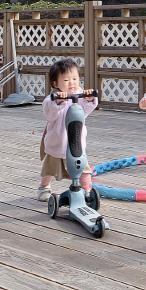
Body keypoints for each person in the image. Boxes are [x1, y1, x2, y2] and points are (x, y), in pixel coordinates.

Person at [37, 58, 98, 202]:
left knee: (83, 168)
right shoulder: (53, 98)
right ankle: (44, 187)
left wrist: (89, 99)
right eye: (66, 80)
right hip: (58, 141)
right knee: (50, 168)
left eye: (75, 78)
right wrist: (57, 103)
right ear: (55, 83)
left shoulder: (80, 95)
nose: (72, 83)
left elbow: (85, 112)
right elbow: (50, 114)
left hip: (76, 142)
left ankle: (88, 191)